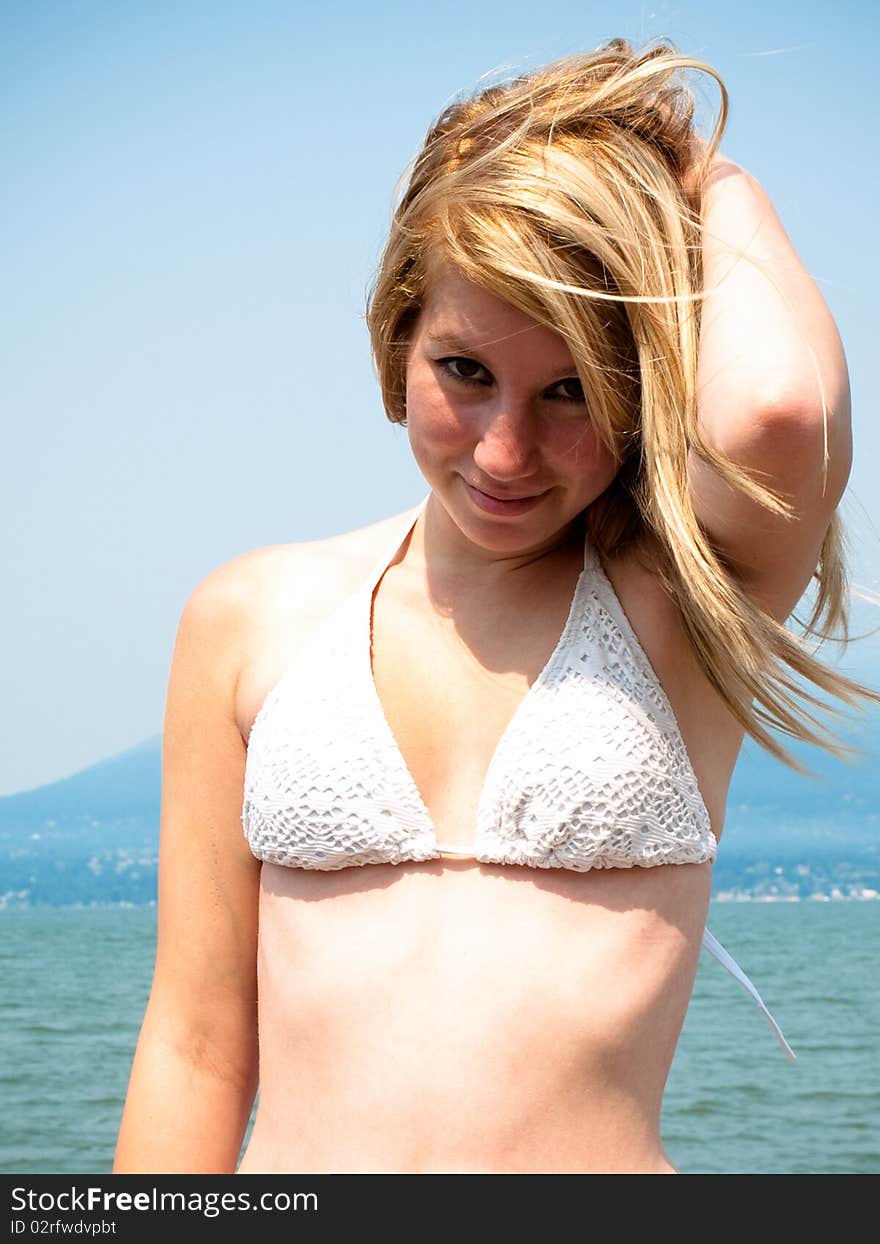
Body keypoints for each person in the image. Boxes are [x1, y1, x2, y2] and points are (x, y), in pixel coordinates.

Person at [112, 37, 880, 1175]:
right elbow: (193, 1046)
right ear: (397, 341)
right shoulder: (249, 615)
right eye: (465, 372)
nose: (507, 449)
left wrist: (693, 168)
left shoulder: (682, 596)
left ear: (640, 389)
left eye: (570, 388)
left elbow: (777, 410)